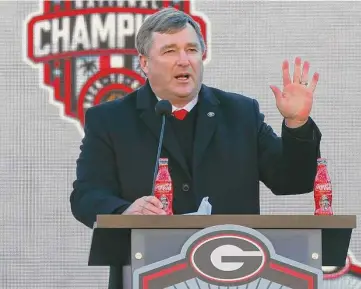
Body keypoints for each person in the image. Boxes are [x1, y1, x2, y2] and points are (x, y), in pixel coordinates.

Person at [70, 7, 322, 289]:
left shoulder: (240, 113)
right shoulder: (110, 119)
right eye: (169, 51)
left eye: (191, 49)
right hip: (147, 274)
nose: (183, 61)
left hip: (236, 276)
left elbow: (293, 180)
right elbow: (86, 196)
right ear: (144, 62)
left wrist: (297, 124)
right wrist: (126, 211)